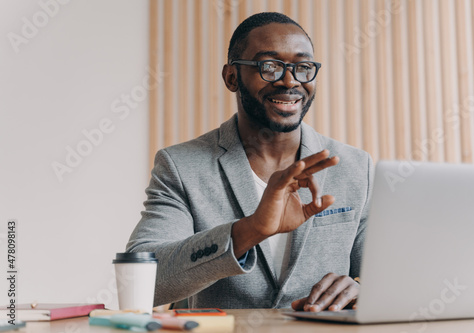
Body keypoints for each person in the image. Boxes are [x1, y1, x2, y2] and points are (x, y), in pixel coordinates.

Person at [127, 12, 373, 312]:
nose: (289, 80)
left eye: (303, 67)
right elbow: (143, 281)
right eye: (269, 66)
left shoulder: (356, 167)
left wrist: (362, 287)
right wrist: (251, 230)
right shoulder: (181, 166)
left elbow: (390, 277)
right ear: (232, 77)